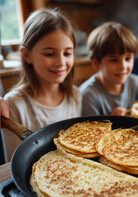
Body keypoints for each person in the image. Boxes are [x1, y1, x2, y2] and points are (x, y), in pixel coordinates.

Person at [0, 8, 82, 162]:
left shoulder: (75, 95)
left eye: (67, 53)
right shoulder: (14, 104)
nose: (61, 62)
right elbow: (14, 164)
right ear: (27, 55)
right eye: (49, 54)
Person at [80, 21, 138, 116]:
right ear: (96, 63)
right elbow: (89, 130)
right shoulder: (87, 95)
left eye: (128, 58)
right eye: (114, 60)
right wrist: (113, 120)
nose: (123, 66)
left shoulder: (136, 83)